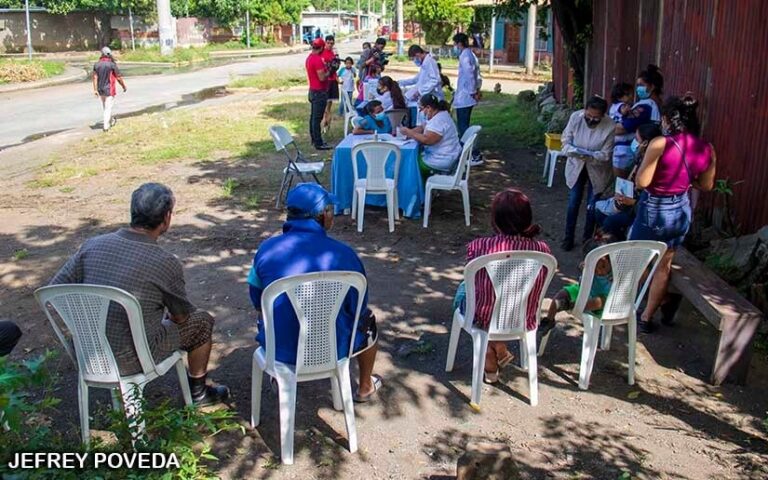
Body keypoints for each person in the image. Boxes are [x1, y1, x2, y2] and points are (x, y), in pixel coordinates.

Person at [49, 183, 229, 405]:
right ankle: (199, 393)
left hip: (88, 353)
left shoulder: (91, 245)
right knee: (202, 321)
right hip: (134, 359)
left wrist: (84, 322)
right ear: (166, 218)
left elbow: (54, 291)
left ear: (133, 212)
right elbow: (181, 317)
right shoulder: (164, 262)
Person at [247, 184, 381, 402]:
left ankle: (279, 377)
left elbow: (256, 298)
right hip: (333, 348)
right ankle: (365, 387)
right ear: (323, 215)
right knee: (368, 320)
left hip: (280, 348)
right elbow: (357, 307)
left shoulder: (266, 250)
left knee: (271, 314)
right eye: (330, 210)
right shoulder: (345, 255)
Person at [630, 95, 716, 333]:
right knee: (663, 265)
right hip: (680, 210)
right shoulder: (707, 148)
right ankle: (647, 317)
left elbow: (642, 182)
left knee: (635, 259)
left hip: (654, 209)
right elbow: (707, 185)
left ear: (667, 119)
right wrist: (684, 181)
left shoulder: (660, 143)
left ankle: (627, 307)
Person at [452, 189, 552, 383]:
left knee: (464, 289)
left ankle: (491, 350)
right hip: (523, 315)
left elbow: (474, 280)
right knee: (499, 292)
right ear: (527, 217)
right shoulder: (543, 251)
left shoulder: (479, 247)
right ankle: (494, 347)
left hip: (484, 316)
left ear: (495, 219)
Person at [560, 95, 615, 251]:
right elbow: (565, 141)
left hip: (597, 168)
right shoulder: (576, 118)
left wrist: (590, 155)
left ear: (603, 115)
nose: (591, 120)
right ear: (585, 110)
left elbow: (606, 154)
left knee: (592, 205)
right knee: (573, 202)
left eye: (595, 118)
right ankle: (568, 237)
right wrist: (574, 151)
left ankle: (587, 241)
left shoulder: (610, 126)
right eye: (588, 116)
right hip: (576, 164)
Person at [594, 123, 663, 240]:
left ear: (645, 143)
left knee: (610, 222)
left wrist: (632, 202)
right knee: (596, 208)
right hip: (629, 201)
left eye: (637, 139)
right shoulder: (639, 158)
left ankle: (618, 249)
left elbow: (646, 194)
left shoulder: (652, 165)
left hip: (641, 209)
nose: (634, 142)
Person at [540, 236, 614, 337]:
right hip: (583, 289)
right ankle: (549, 319)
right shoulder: (589, 265)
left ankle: (574, 305)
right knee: (561, 294)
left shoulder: (613, 273)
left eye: (603, 267)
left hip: (602, 298)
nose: (599, 271)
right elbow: (581, 270)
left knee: (600, 301)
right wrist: (584, 268)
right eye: (596, 267)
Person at [400, 94, 462, 176]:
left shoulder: (438, 120)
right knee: (413, 157)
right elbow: (423, 127)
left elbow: (427, 140)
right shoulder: (440, 114)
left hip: (442, 159)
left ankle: (415, 187)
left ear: (428, 108)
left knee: (409, 163)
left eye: (421, 109)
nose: (421, 112)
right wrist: (409, 133)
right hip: (447, 155)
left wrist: (409, 132)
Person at [452, 32, 483, 163]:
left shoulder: (465, 55)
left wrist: (472, 91)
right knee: (463, 126)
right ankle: (465, 153)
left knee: (463, 127)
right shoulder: (470, 54)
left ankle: (474, 154)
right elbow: (477, 75)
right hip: (466, 96)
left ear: (459, 43)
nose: (454, 46)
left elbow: (470, 75)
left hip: (465, 97)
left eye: (455, 43)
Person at [615, 64, 664, 139]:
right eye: (638, 85)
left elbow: (622, 128)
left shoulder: (645, 107)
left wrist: (604, 127)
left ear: (652, 87)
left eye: (641, 85)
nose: (638, 88)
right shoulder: (659, 104)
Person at [306, 38, 333, 150]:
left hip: (313, 90)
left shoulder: (309, 58)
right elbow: (322, 77)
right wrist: (330, 71)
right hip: (319, 92)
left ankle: (314, 139)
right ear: (321, 47)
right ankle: (318, 142)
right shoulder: (317, 59)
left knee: (313, 118)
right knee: (317, 119)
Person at [92, 46, 126, 132]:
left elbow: (95, 78)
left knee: (106, 107)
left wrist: (95, 90)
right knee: (108, 107)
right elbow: (118, 77)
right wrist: (123, 86)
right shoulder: (111, 65)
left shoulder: (97, 64)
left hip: (100, 89)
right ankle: (106, 127)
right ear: (108, 54)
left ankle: (110, 121)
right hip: (109, 89)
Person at [609, 82, 635, 178]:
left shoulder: (612, 108)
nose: (631, 97)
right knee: (624, 177)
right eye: (628, 94)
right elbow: (623, 110)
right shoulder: (621, 105)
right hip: (624, 145)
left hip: (618, 145)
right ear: (619, 97)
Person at [321, 35, 340, 133]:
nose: (330, 45)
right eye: (328, 43)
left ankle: (327, 122)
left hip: (332, 79)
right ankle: (325, 120)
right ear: (325, 42)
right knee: (324, 103)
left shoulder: (334, 53)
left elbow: (336, 66)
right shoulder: (321, 53)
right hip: (325, 79)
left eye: (332, 43)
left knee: (329, 103)